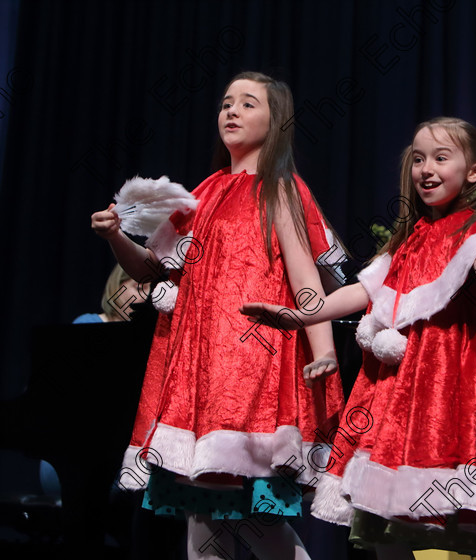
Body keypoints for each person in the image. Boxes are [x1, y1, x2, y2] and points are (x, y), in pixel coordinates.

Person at [242, 117, 476, 559]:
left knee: (459, 516)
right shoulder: (411, 240)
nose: (426, 169)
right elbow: (363, 291)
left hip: (446, 398)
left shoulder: (473, 234)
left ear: (474, 171)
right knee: (387, 525)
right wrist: (301, 315)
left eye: (441, 157)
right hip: (395, 400)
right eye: (418, 159)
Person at [91, 71, 344, 560]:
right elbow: (151, 269)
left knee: (257, 520)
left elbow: (307, 284)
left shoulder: (279, 191)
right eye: (227, 102)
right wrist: (116, 236)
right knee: (203, 520)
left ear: (276, 123)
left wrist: (326, 349)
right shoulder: (203, 193)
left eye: (249, 104)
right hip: (199, 377)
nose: (232, 111)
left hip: (253, 376)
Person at [73, 263, 150, 323]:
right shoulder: (87, 322)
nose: (146, 297)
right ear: (117, 286)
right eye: (139, 288)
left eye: (151, 292)